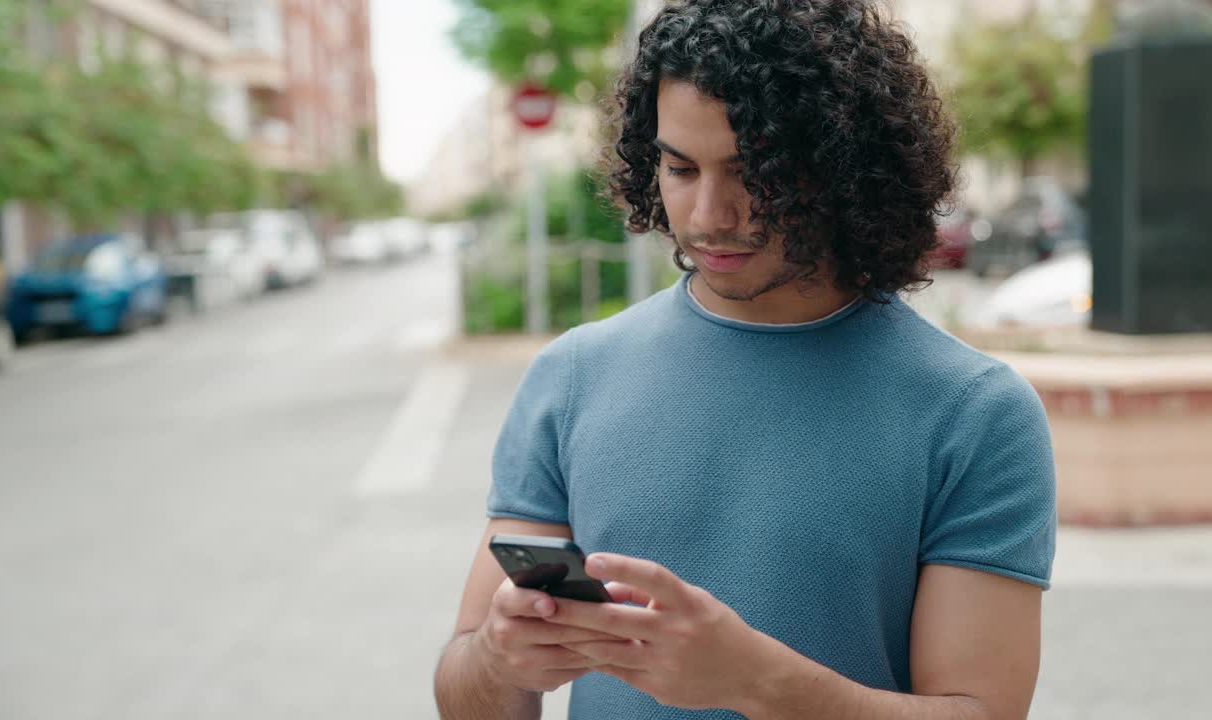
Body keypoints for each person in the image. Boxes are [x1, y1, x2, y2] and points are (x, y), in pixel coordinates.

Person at [434, 1, 1057, 718]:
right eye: (679, 167)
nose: (708, 214)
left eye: (755, 171)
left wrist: (753, 681)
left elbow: (982, 710)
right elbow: (465, 693)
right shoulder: (573, 377)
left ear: (847, 166)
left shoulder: (974, 413)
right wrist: (498, 657)